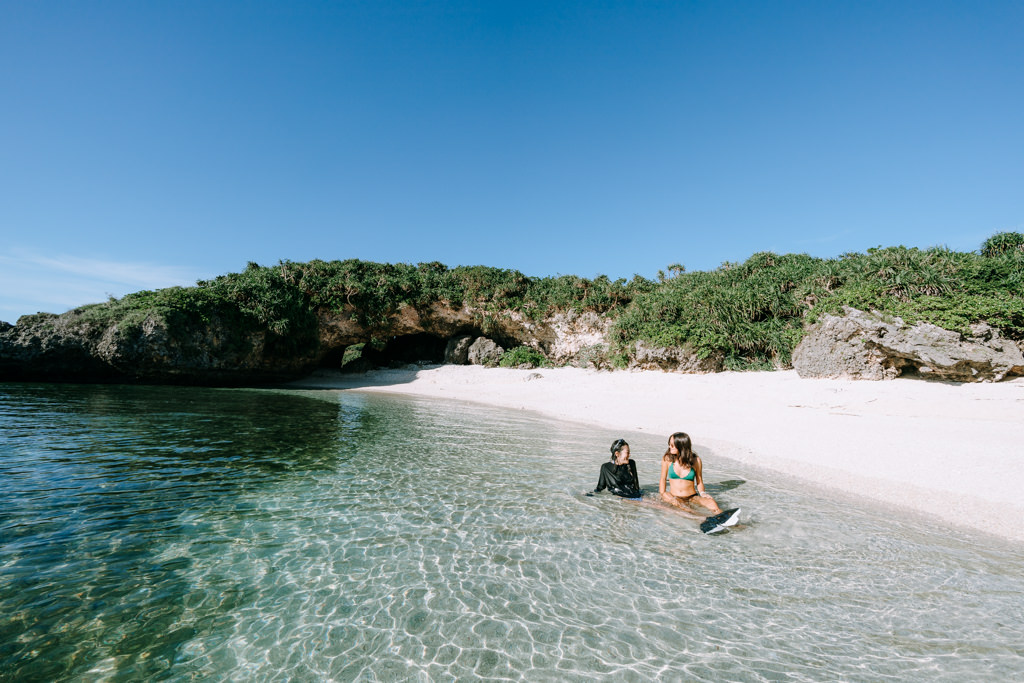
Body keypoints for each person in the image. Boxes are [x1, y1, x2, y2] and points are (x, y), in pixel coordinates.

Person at [659, 432, 723, 515]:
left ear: (681, 446)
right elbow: (663, 479)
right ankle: (701, 517)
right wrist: (663, 494)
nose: (669, 447)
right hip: (674, 497)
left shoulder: (696, 460)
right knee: (679, 505)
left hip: (692, 497)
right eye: (669, 444)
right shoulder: (667, 459)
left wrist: (703, 493)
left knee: (711, 502)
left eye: (672, 445)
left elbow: (699, 480)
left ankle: (723, 518)